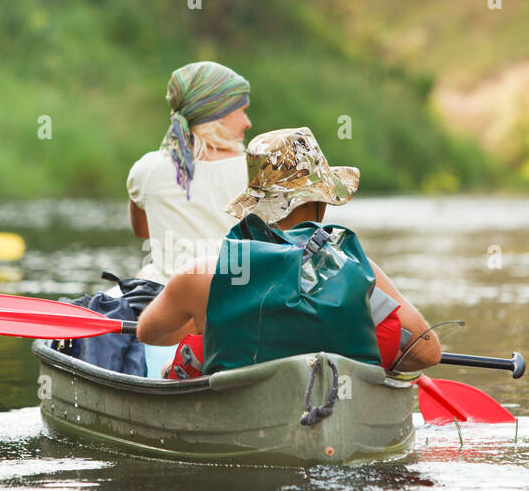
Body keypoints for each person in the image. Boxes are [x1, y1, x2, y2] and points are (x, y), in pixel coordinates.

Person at [135, 128, 442, 377]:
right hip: (339, 402)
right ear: (322, 202)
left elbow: (148, 333)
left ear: (255, 205)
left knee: (168, 369)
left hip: (240, 412)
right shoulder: (358, 269)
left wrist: (211, 317)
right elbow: (427, 351)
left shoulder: (205, 274)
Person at [126, 61, 252, 283]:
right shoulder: (254, 170)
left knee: (145, 273)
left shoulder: (146, 169)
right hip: (235, 294)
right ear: (219, 113)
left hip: (170, 302)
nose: (248, 123)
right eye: (243, 111)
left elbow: (143, 232)